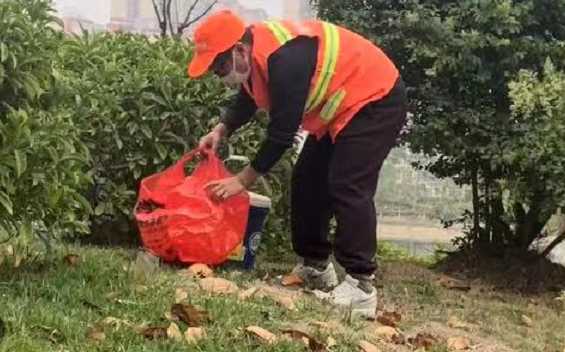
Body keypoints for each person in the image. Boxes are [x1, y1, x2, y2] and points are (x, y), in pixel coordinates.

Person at [188, 10, 407, 318]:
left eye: (219, 65)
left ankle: (361, 286)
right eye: (214, 69)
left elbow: (282, 132)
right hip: (341, 109)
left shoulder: (285, 58)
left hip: (374, 98)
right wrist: (220, 130)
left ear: (239, 49)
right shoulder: (257, 57)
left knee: (348, 184)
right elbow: (248, 98)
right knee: (307, 180)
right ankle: (316, 267)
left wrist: (242, 180)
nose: (220, 74)